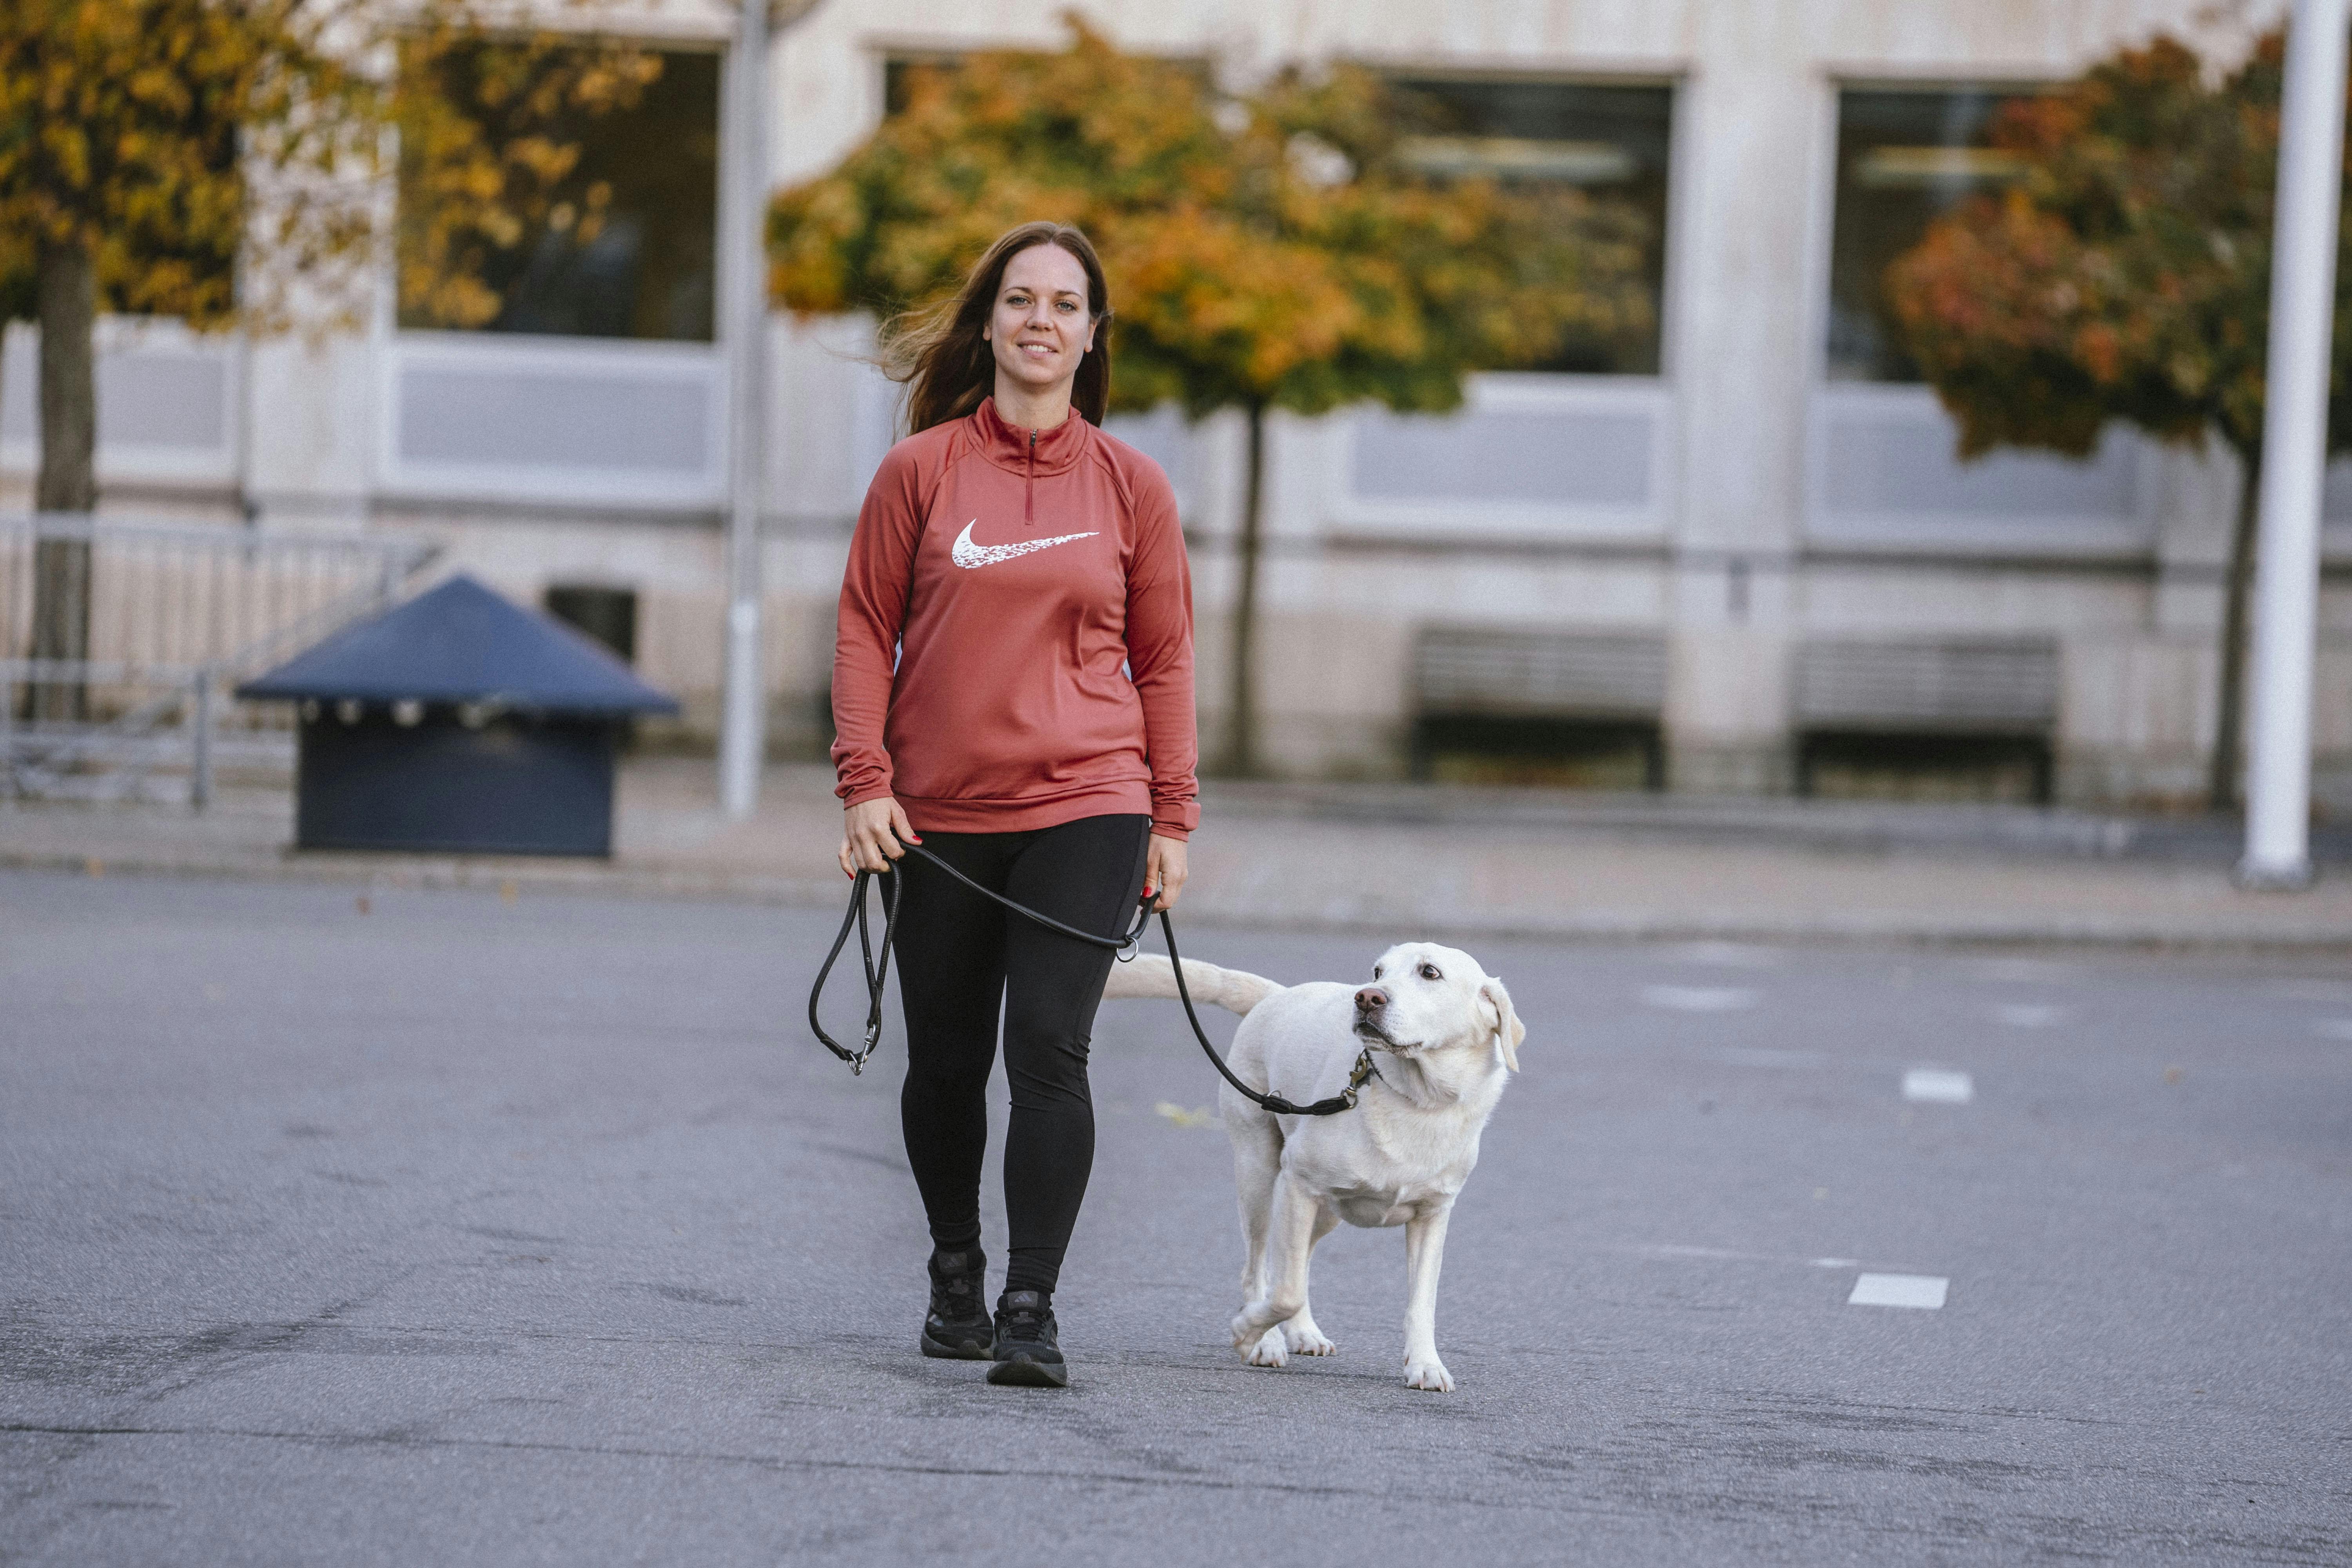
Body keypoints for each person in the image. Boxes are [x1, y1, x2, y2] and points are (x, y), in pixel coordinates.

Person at [830, 221, 1198, 1388]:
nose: (1043, 320)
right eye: (1022, 299)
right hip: (936, 817)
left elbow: (1169, 658)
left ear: (1093, 337)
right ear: (989, 321)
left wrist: (1173, 816)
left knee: (1048, 1049)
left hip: (1091, 801)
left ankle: (1031, 1306)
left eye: (1067, 304)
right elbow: (861, 629)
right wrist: (864, 784)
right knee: (946, 1062)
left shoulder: (1134, 487)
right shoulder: (922, 472)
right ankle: (957, 1275)